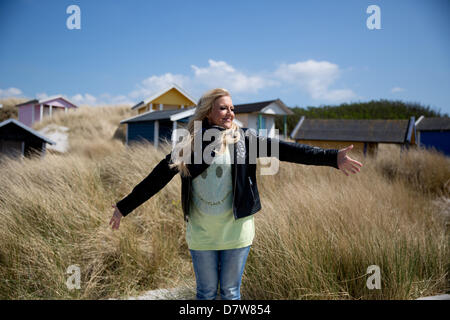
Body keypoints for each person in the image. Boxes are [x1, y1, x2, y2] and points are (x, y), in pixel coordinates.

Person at [109, 88, 363, 300]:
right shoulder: (189, 146)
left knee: (230, 294)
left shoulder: (245, 140)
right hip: (201, 233)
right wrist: (124, 206)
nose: (230, 112)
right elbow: (156, 178)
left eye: (232, 108)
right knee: (206, 293)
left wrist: (332, 157)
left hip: (236, 232)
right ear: (208, 112)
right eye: (223, 108)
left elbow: (289, 151)